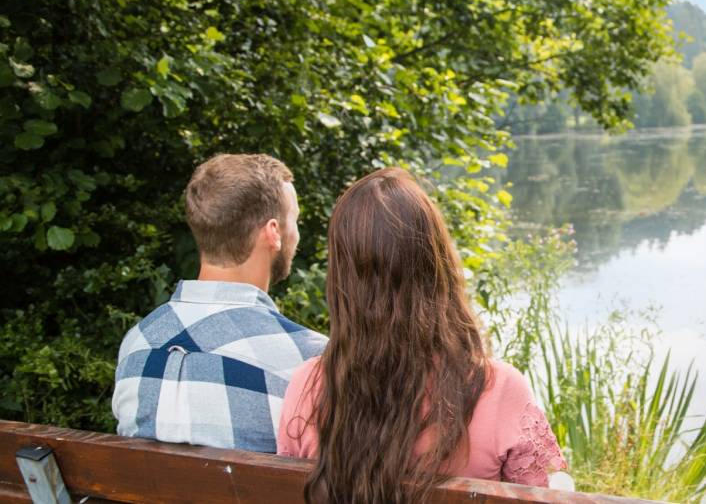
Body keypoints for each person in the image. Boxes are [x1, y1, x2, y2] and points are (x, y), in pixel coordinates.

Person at [276, 168, 565, 502]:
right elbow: (542, 495)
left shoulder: (309, 388)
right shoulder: (498, 389)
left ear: (344, 278)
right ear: (436, 263)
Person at [112, 154, 327, 453]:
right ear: (273, 232)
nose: (297, 233)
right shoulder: (310, 359)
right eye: (296, 220)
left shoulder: (137, 342)